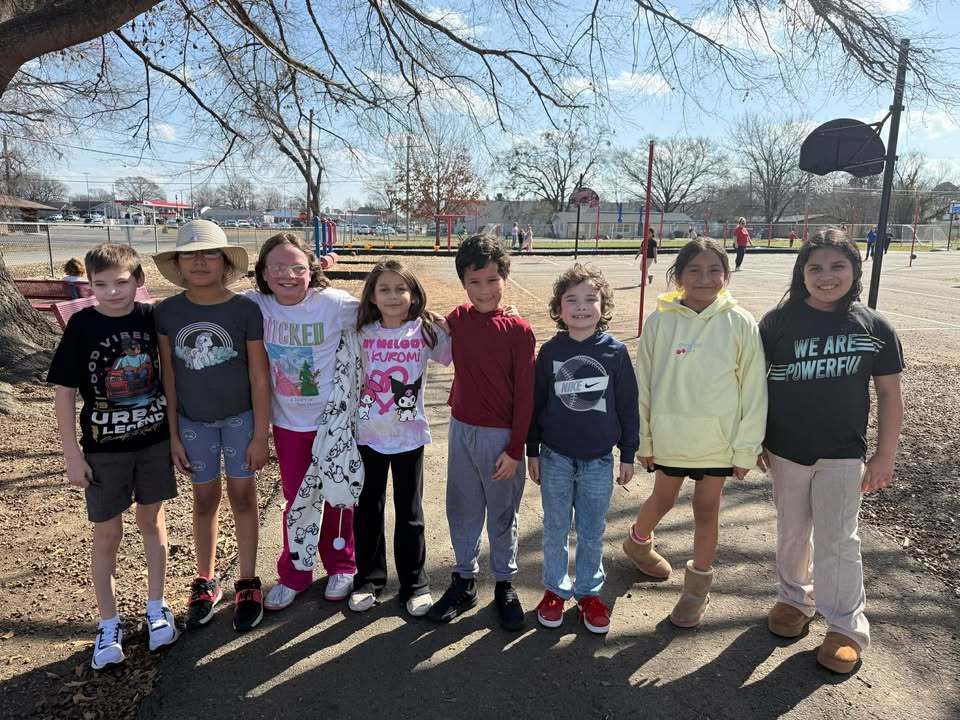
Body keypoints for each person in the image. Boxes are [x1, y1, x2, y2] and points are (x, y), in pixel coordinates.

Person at [759, 229, 903, 674]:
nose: (826, 276)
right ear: (801, 272)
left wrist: (885, 455)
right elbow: (753, 387)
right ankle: (793, 600)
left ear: (855, 271)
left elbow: (889, 394)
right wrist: (754, 439)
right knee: (792, 530)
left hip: (843, 453)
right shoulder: (777, 323)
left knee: (839, 539)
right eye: (815, 267)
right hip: (785, 450)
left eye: (837, 266)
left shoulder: (873, 326)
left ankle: (844, 626)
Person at [622, 237, 767, 627]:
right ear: (678, 276)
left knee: (707, 509)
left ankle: (696, 589)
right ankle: (637, 543)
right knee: (663, 498)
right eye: (694, 270)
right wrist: (644, 440)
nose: (705, 278)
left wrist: (745, 449)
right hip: (670, 437)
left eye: (714, 270)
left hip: (718, 443)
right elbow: (645, 386)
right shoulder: (660, 321)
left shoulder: (740, 322)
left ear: (726, 274)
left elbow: (754, 389)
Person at [48, 244, 178, 670]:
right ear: (88, 285)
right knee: (107, 535)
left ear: (138, 280)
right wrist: (71, 453)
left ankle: (156, 607)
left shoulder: (151, 318)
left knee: (151, 522)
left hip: (154, 443)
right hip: (103, 451)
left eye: (121, 282)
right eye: (100, 284)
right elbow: (65, 392)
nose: (112, 292)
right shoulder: (83, 325)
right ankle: (108, 622)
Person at [153, 220, 271, 633]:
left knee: (242, 496)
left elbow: (259, 376)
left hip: (240, 421)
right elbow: (168, 377)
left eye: (209, 254)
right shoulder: (166, 312)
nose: (200, 261)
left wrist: (260, 433)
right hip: (192, 424)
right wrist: (171, 435)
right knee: (204, 502)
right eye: (190, 254)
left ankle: (248, 581)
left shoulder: (244, 310)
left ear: (224, 261)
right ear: (178, 264)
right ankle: (205, 579)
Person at [243, 233, 360, 612]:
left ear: (311, 270)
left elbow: (387, 309)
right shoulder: (254, 306)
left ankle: (341, 564)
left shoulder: (333, 304)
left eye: (296, 267)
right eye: (276, 267)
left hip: (334, 422)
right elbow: (206, 306)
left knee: (339, 495)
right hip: (289, 423)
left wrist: (441, 318)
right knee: (297, 499)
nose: (287, 275)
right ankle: (295, 571)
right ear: (262, 272)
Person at [427, 234, 536, 631]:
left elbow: (526, 396)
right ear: (463, 284)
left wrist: (515, 447)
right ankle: (464, 579)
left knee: (503, 514)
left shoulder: (519, 331)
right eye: (475, 282)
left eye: (492, 280)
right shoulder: (457, 320)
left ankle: (505, 582)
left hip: (501, 438)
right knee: (462, 507)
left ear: (505, 278)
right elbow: (428, 325)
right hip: (461, 430)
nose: (484, 290)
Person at [527, 264, 639, 634]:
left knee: (592, 530)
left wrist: (628, 453)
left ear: (603, 305)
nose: (580, 307)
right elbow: (536, 403)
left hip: (598, 462)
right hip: (556, 457)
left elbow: (627, 405)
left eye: (590, 299)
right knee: (555, 528)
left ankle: (589, 592)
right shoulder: (550, 352)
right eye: (571, 300)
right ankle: (556, 590)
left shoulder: (615, 352)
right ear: (558, 309)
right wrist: (532, 451)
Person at [350, 258, 453, 617]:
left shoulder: (425, 331)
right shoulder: (361, 331)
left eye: (400, 288)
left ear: (413, 294)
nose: (393, 296)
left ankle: (414, 583)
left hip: (409, 436)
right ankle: (369, 579)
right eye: (384, 289)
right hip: (367, 435)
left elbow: (453, 355)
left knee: (410, 513)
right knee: (367, 509)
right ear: (373, 296)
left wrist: (451, 326)